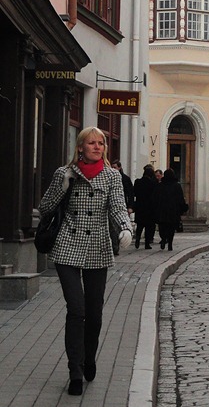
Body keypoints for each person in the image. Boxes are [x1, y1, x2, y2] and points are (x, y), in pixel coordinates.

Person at [38, 127, 132, 396]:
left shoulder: (112, 176)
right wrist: (62, 186)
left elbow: (117, 206)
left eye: (101, 143)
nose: (97, 147)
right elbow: (45, 207)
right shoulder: (64, 173)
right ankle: (75, 371)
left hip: (97, 247)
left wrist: (125, 228)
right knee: (76, 309)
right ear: (80, 147)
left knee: (94, 313)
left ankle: (89, 357)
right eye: (92, 143)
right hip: (67, 245)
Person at [152, 169, 188, 250]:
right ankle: (170, 244)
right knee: (171, 228)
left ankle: (163, 239)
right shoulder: (177, 186)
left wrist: (155, 208)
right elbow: (180, 199)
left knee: (162, 226)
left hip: (162, 210)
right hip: (173, 211)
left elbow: (155, 198)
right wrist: (183, 208)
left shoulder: (160, 186)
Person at [133, 165, 157, 249]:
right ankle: (147, 243)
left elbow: (134, 193)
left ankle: (137, 239)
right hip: (150, 207)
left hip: (140, 206)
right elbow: (155, 195)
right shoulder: (153, 183)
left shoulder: (138, 182)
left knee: (140, 225)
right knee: (148, 226)